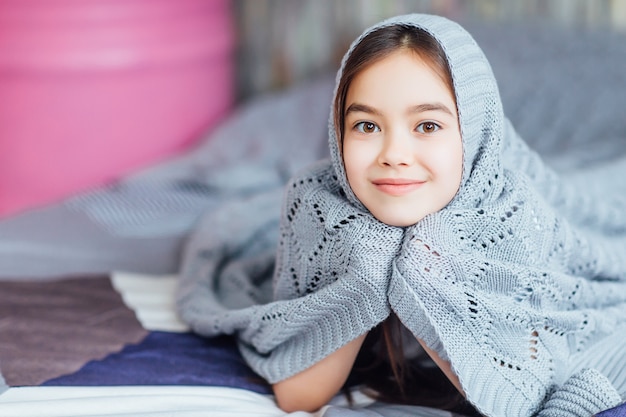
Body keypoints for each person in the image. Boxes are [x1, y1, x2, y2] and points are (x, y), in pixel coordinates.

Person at [177, 14, 626, 417]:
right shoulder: (317, 203)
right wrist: (367, 273)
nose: (394, 155)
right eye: (366, 126)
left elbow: (515, 400)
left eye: (427, 126)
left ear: (474, 134)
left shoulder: (512, 214)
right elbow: (298, 398)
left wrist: (426, 273)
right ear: (338, 131)